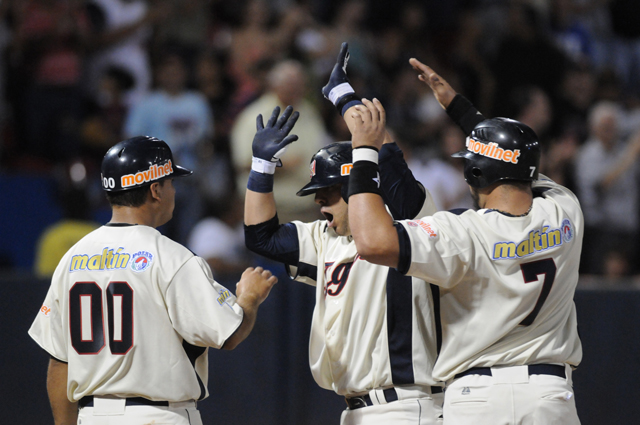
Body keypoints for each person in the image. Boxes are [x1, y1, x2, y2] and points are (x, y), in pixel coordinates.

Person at [345, 59, 583, 425]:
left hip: (478, 399)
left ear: (475, 173)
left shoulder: (461, 232)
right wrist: (461, 108)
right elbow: (521, 162)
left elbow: (372, 242)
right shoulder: (564, 210)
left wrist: (363, 152)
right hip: (549, 396)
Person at [244, 43, 443, 425]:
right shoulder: (326, 238)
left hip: (407, 406)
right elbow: (262, 238)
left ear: (358, 186)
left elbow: (387, 160)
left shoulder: (410, 225)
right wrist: (261, 168)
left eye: (329, 193)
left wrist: (344, 98)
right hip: (354, 410)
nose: (321, 204)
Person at [28, 136, 277, 425]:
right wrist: (249, 298)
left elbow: (60, 362)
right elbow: (230, 334)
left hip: (92, 416)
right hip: (158, 415)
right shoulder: (172, 257)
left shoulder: (72, 259)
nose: (173, 190)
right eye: (170, 182)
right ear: (155, 189)